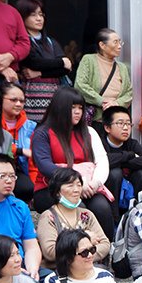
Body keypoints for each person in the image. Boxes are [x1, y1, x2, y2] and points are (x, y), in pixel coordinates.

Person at [29, 87, 112, 236]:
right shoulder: (42, 133)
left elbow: (101, 160)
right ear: (60, 107)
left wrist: (95, 183)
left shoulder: (89, 131)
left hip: (88, 186)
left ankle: (106, 252)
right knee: (79, 207)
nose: (78, 112)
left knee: (102, 207)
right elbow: (44, 165)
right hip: (50, 189)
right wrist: (77, 182)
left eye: (80, 107)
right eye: (72, 107)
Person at [36, 168, 110, 273]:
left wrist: (76, 255)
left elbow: (105, 244)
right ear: (57, 192)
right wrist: (86, 240)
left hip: (87, 269)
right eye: (70, 185)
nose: (76, 190)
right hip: (59, 271)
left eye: (79, 185)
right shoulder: (49, 217)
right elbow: (51, 252)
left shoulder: (87, 215)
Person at [0, 154, 40, 279]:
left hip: (19, 266)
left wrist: (32, 269)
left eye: (12, 176)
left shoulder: (20, 206)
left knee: (49, 278)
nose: (9, 180)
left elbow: (31, 246)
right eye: (2, 176)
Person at [14, 0, 70, 123]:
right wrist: (60, 62)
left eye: (41, 14)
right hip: (31, 99)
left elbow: (65, 70)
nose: (39, 19)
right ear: (22, 17)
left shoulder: (51, 42)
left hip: (53, 98)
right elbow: (34, 62)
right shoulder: (22, 41)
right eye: (33, 15)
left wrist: (40, 73)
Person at [73, 28, 132, 127]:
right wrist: (102, 101)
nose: (119, 46)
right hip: (96, 119)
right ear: (102, 45)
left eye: (120, 42)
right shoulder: (89, 60)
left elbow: (129, 93)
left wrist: (116, 103)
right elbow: (80, 85)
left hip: (117, 121)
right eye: (115, 42)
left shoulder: (122, 67)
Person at [101, 105, 142, 201]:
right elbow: (103, 161)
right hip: (108, 187)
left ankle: (141, 209)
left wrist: (122, 162)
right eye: (120, 123)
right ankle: (115, 215)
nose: (126, 128)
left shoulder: (131, 143)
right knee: (115, 173)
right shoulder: (100, 143)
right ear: (107, 128)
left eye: (128, 124)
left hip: (130, 183)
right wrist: (130, 155)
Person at [0, 81, 35, 203]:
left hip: (18, 169)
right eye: (13, 100)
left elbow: (33, 161)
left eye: (22, 101)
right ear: (0, 99)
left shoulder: (30, 126)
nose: (18, 104)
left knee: (28, 187)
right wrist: (20, 150)